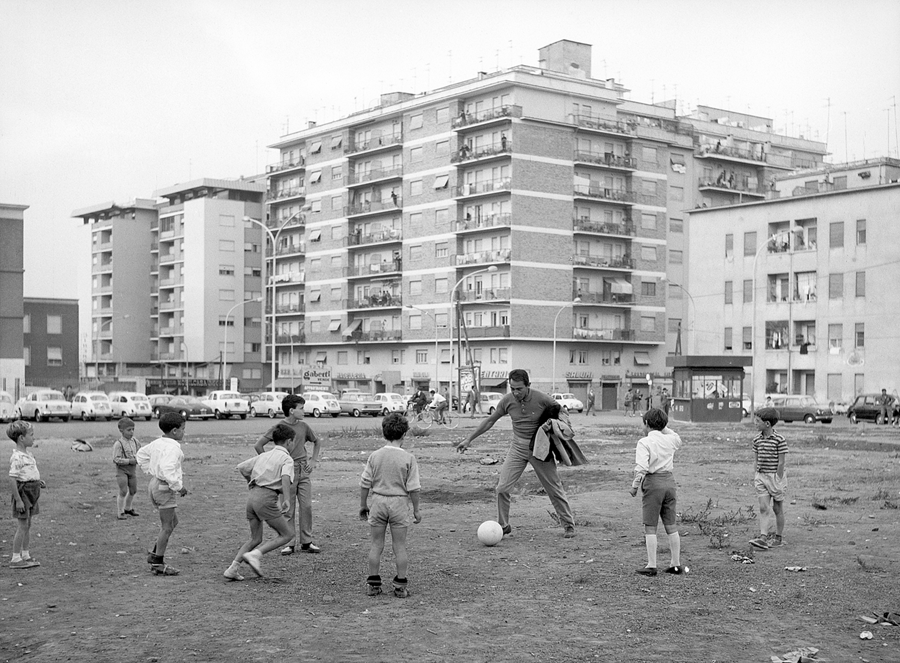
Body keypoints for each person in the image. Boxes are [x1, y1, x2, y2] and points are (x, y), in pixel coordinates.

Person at [454, 369, 577, 539]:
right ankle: (503, 525)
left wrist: (556, 426)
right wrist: (469, 439)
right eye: (512, 388)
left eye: (519, 388)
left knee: (553, 487)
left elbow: (562, 413)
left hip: (540, 448)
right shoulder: (507, 400)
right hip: (517, 447)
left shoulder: (542, 398)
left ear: (528, 386)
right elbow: (490, 420)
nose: (515, 392)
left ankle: (568, 525)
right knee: (502, 488)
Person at [360, 413, 421, 598]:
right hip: (399, 503)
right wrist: (416, 510)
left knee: (376, 544)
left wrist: (363, 504)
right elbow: (414, 488)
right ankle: (400, 586)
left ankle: (373, 583)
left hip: (378, 500)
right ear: (404, 434)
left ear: (384, 432)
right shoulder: (409, 459)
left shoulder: (375, 456)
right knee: (399, 546)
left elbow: (364, 483)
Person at [224, 423, 296, 581]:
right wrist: (287, 500)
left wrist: (250, 482)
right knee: (287, 534)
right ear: (289, 441)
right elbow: (285, 477)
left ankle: (233, 568)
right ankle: (255, 555)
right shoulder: (287, 459)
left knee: (255, 538)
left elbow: (242, 467)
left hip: (252, 497)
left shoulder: (263, 456)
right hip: (266, 497)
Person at [254, 394, 322, 555]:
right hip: (286, 473)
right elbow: (259, 445)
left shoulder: (304, 426)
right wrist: (272, 462)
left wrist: (313, 460)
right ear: (291, 410)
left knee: (306, 506)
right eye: (301, 408)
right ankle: (289, 542)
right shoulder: (280, 427)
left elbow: (317, 441)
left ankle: (307, 541)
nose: (304, 410)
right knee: (287, 507)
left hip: (303, 470)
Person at [630, 408, 684, 576]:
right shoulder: (671, 440)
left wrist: (634, 486)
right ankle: (675, 563)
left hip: (653, 483)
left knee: (650, 526)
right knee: (671, 524)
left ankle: (652, 564)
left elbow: (642, 468)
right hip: (669, 481)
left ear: (646, 424)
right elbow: (675, 436)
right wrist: (663, 427)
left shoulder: (644, 442)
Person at [136, 412, 188, 576]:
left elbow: (141, 455)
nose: (184, 432)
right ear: (174, 431)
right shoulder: (173, 448)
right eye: (183, 429)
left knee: (173, 522)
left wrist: (150, 470)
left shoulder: (157, 443)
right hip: (164, 487)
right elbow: (167, 470)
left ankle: (155, 553)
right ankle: (157, 561)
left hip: (154, 484)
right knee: (167, 527)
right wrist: (178, 486)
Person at [748, 407, 787, 550]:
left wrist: (778, 478)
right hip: (761, 477)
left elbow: (781, 462)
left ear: (767, 424)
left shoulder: (779, 440)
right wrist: (756, 475)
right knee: (763, 507)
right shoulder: (756, 440)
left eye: (757, 421)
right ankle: (763, 537)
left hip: (775, 477)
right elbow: (755, 460)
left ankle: (778, 537)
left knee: (777, 508)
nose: (755, 423)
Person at [7, 421, 44, 569]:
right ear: (22, 438)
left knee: (28, 524)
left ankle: (26, 554)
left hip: (32, 491)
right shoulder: (17, 457)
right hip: (23, 494)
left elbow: (27, 473)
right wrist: (18, 500)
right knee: (22, 525)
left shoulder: (27, 455)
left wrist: (37, 481)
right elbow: (12, 478)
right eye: (31, 435)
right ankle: (16, 558)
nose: (34, 438)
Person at [113, 417, 141, 520]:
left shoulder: (135, 441)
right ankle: (120, 512)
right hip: (122, 470)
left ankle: (128, 508)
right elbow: (116, 459)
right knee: (123, 491)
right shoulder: (118, 444)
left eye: (133, 429)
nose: (131, 432)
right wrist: (129, 461)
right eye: (129, 430)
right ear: (121, 431)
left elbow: (140, 452)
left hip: (132, 470)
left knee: (133, 490)